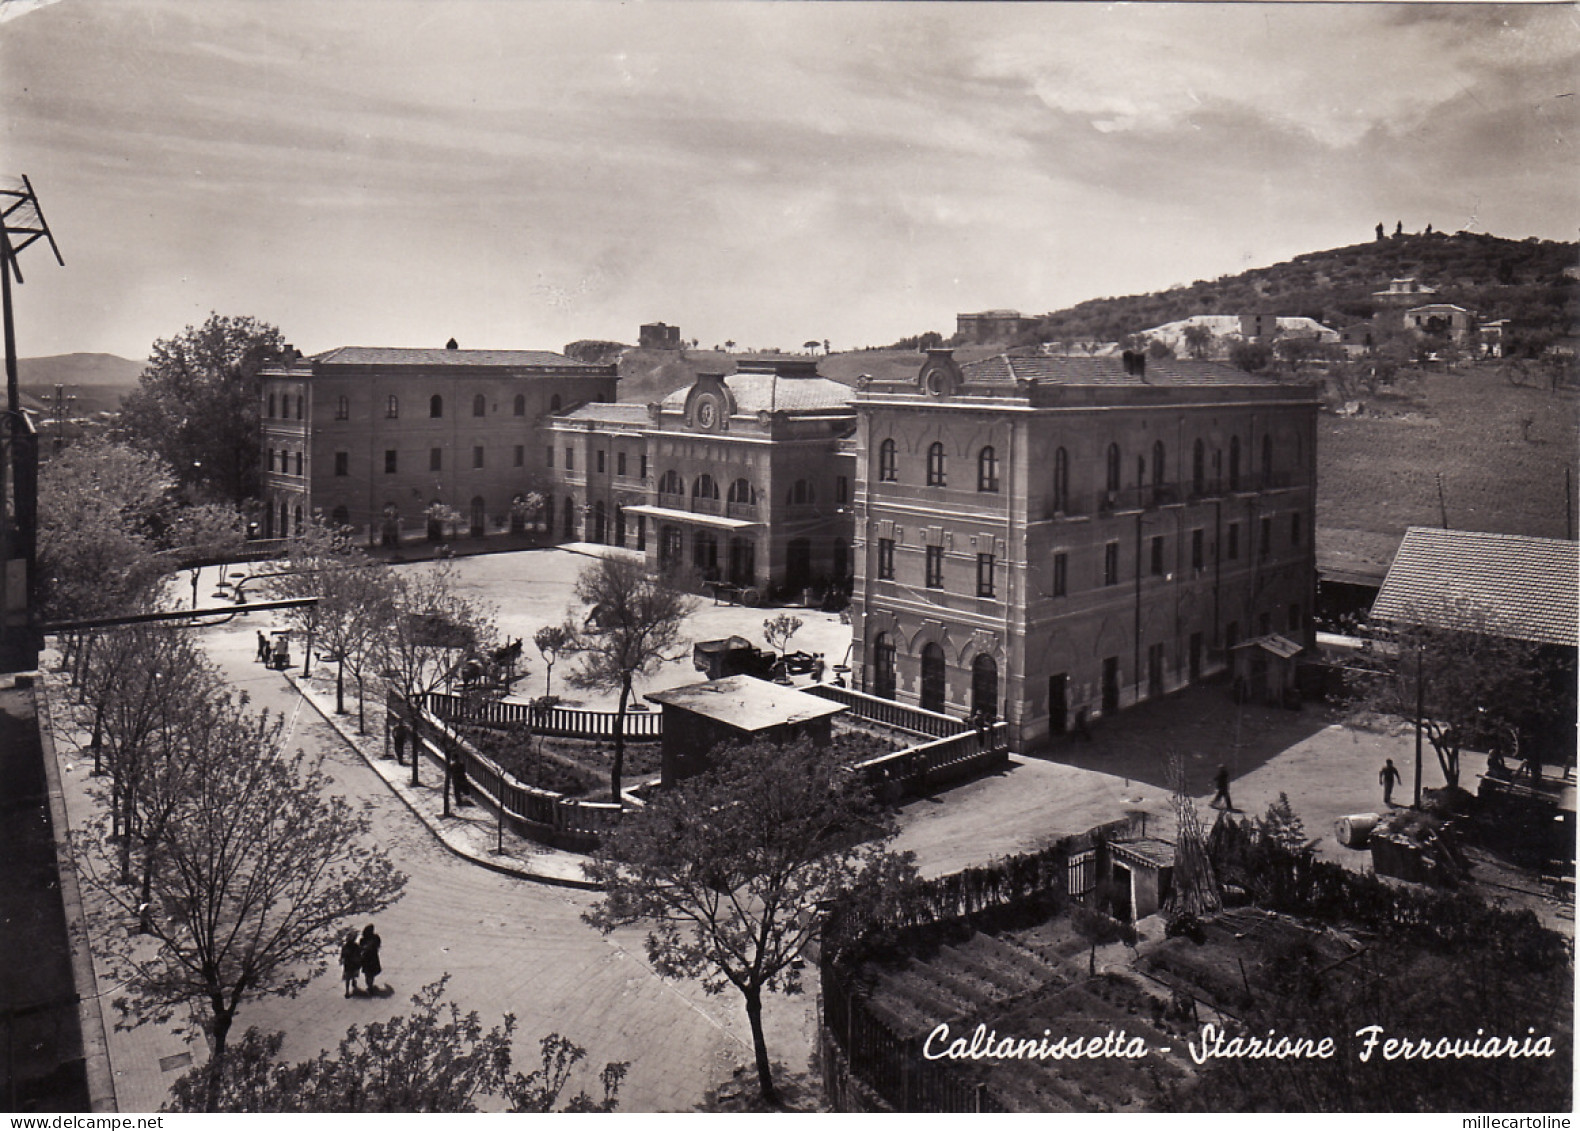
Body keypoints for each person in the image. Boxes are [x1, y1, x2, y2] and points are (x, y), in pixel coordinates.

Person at [359, 924, 383, 994]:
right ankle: (370, 986)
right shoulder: (375, 937)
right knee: (371, 973)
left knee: (367, 973)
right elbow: (378, 945)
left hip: (366, 957)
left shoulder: (363, 939)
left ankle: (369, 986)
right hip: (373, 957)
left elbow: (361, 948)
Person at [339, 930, 362, 998]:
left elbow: (343, 955)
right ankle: (348, 990)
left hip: (349, 963)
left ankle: (348, 990)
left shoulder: (346, 946)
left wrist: (342, 959)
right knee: (349, 976)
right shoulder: (355, 946)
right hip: (351, 963)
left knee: (348, 977)